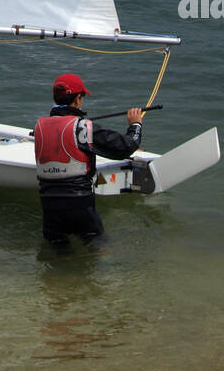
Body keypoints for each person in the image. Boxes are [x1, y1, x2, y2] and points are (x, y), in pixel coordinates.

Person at [33, 73, 144, 247]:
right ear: (78, 99)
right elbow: (127, 147)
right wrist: (135, 124)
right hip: (80, 205)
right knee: (98, 250)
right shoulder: (84, 128)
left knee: (58, 258)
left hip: (49, 208)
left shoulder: (39, 127)